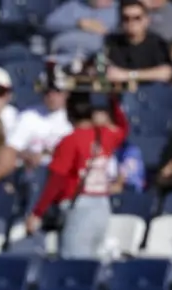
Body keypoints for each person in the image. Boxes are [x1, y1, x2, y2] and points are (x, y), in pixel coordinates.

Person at [25, 93, 129, 258]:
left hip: (80, 207)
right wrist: (112, 98)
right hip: (102, 206)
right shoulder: (105, 135)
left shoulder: (69, 141)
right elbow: (123, 128)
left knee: (73, 266)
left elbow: (56, 181)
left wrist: (38, 212)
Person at [104, 0, 172, 85]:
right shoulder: (113, 42)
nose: (131, 22)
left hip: (151, 91)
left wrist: (128, 75)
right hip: (121, 93)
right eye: (126, 18)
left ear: (146, 20)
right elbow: (107, 68)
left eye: (137, 18)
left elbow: (166, 73)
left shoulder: (157, 43)